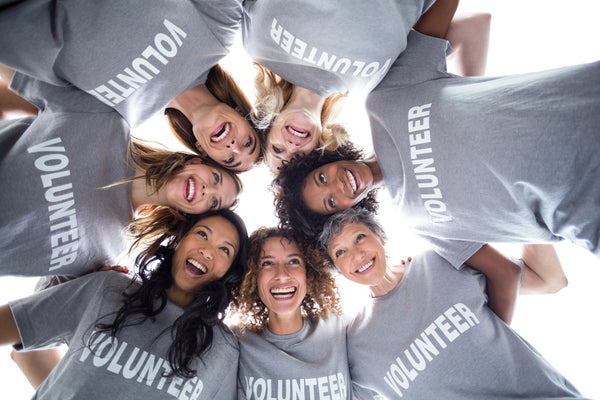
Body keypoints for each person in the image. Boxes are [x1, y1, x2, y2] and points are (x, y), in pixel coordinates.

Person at [273, 48, 600, 262]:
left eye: (322, 177)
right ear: (344, 214)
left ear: (323, 160)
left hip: (584, 103)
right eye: (331, 201)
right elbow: (505, 277)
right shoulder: (416, 224)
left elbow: (449, 16)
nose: (338, 185)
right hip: (586, 215)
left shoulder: (383, 99)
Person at [0, 65, 243, 279]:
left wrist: (93, 285)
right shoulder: (104, 118)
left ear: (194, 216)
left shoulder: (109, 252)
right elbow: (14, 71)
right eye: (215, 178)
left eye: (213, 201)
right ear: (194, 161)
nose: (207, 189)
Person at [318, 207, 582, 399]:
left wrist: (520, 204)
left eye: (359, 238)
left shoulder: (439, 261)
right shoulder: (356, 346)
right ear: (338, 270)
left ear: (380, 236)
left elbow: (550, 280)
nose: (356, 255)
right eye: (340, 252)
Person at [0, 209, 248, 399]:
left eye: (224, 250)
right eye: (202, 234)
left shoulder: (223, 350)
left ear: (229, 273)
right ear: (179, 240)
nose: (207, 250)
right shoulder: (109, 288)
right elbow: (13, 331)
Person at [0, 2, 262, 171]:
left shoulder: (123, 120)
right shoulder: (217, 34)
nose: (233, 147)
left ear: (203, 150)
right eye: (247, 142)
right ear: (242, 112)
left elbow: (27, 81)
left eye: (229, 160)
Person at [245, 0, 491, 171]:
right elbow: (473, 25)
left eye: (277, 149)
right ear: (319, 147)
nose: (291, 148)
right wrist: (465, 117)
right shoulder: (377, 85)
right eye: (298, 159)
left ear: (269, 123)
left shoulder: (258, 45)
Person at [230, 227, 351, 399]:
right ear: (253, 276)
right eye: (267, 263)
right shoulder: (236, 342)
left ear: (309, 272)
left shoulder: (342, 330)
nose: (282, 275)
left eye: (294, 261)